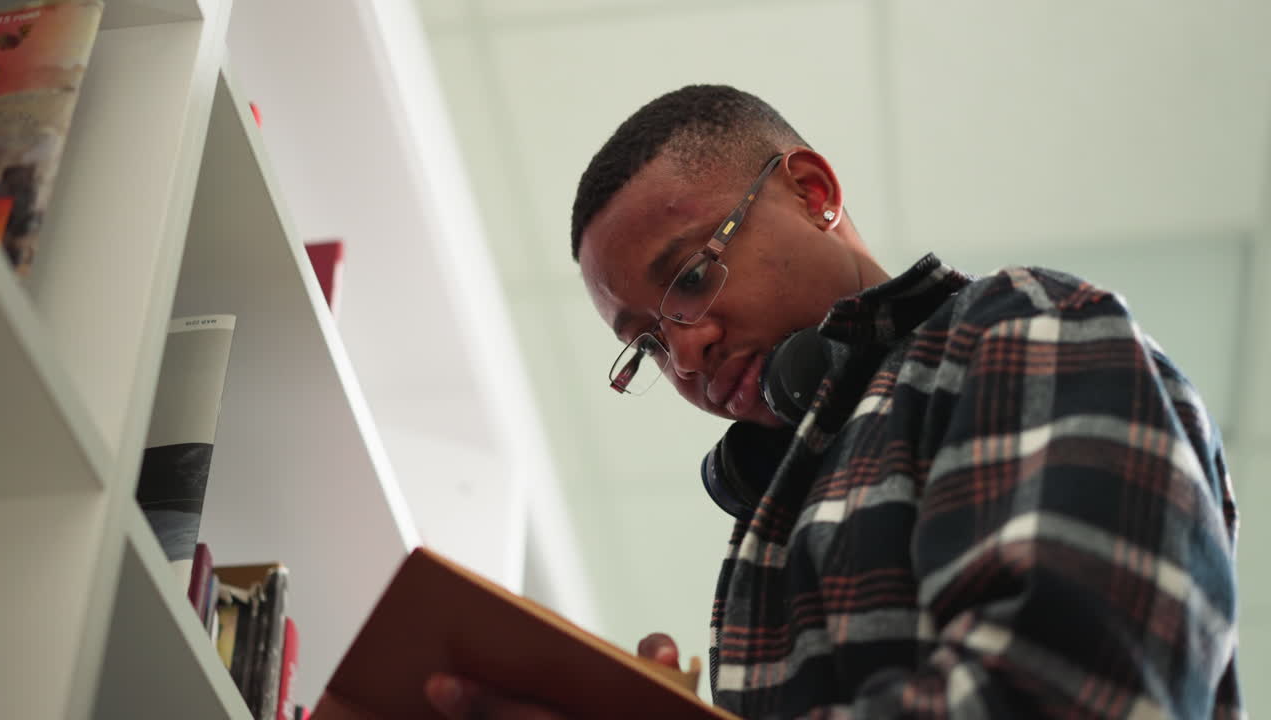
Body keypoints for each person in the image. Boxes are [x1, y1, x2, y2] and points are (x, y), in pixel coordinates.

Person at [424, 85, 1242, 718]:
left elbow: (1068, 693)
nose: (684, 354)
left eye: (695, 277)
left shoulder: (1020, 326)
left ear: (813, 192)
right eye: (645, 344)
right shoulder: (769, 533)